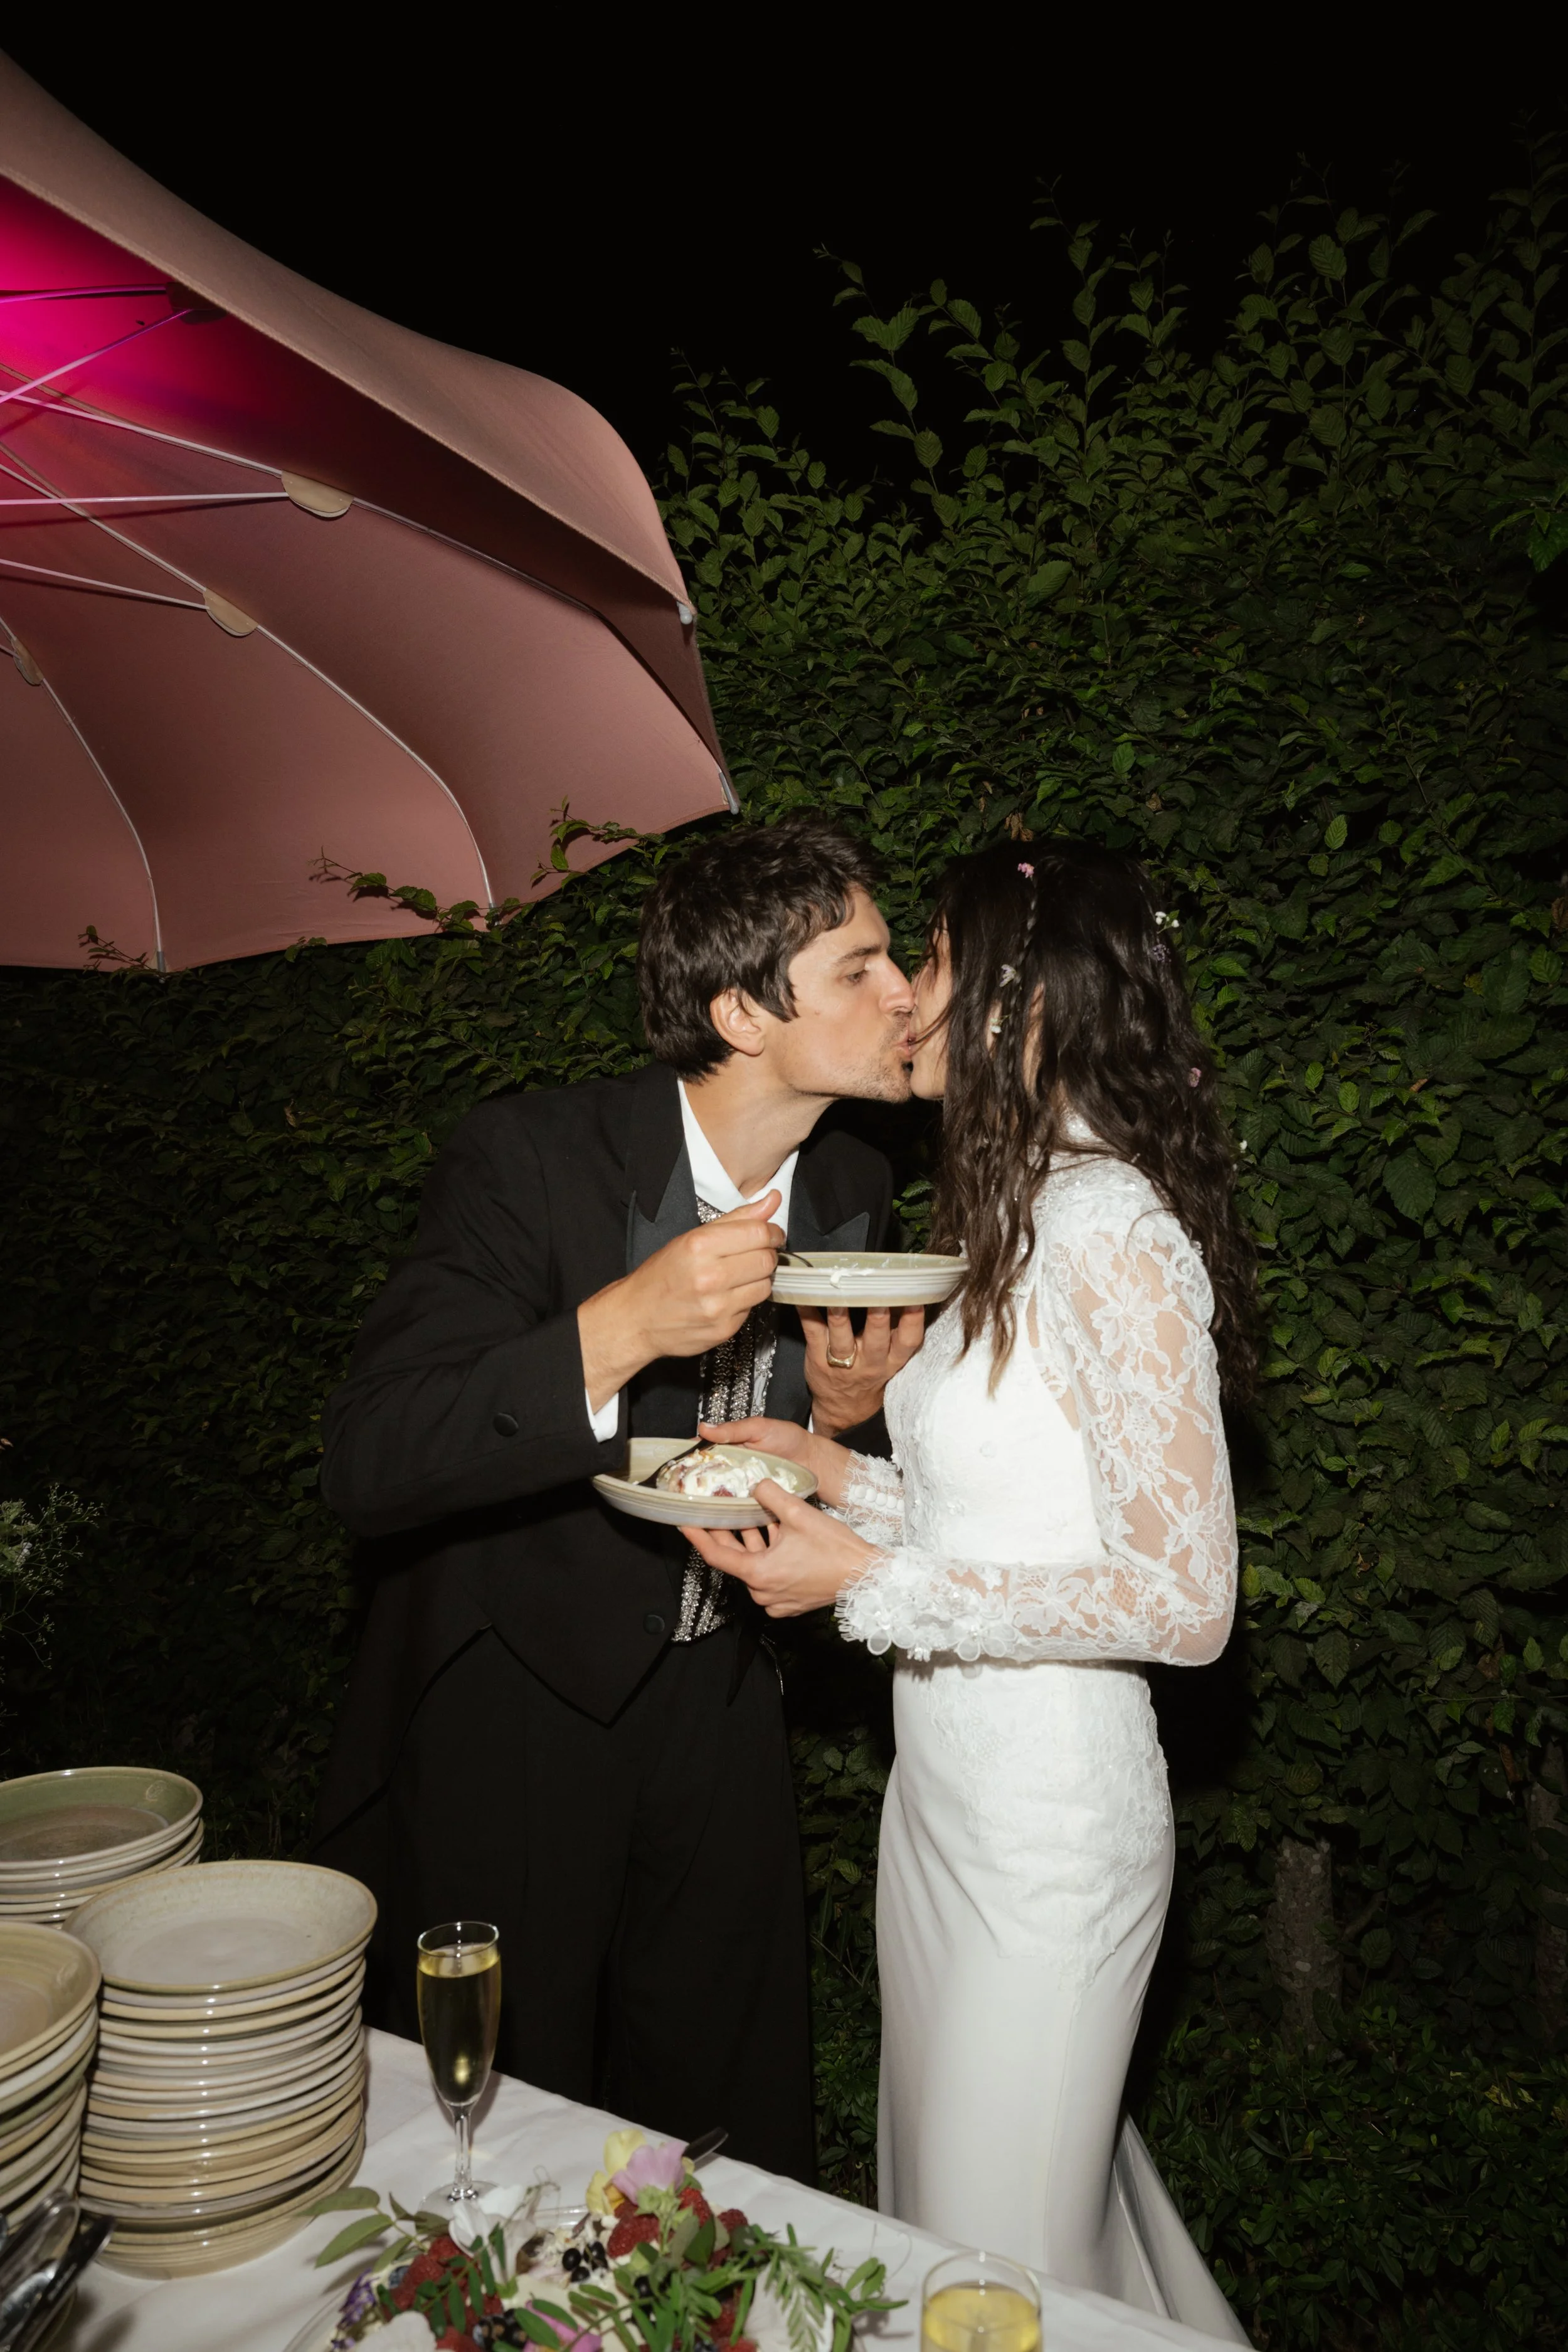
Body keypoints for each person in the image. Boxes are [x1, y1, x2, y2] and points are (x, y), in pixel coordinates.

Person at [686, 839, 1254, 2339]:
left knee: (994, 2276)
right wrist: (820, 1464)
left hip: (1050, 1843)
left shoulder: (1110, 1229)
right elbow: (990, 1518)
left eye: (928, 960)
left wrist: (865, 1576)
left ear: (1018, 1002)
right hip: (939, 1808)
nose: (905, 1000)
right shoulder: (1009, 1215)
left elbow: (1182, 1597)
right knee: (961, 2228)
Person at [312, 815, 923, 2182]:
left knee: (723, 2118)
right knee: (511, 2122)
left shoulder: (853, 1181)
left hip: (721, 1697)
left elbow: (802, 1451)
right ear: (738, 1014)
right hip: (521, 1703)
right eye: (860, 968)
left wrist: (839, 1418)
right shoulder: (527, 1159)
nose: (905, 994)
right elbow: (370, 1457)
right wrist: (615, 1330)